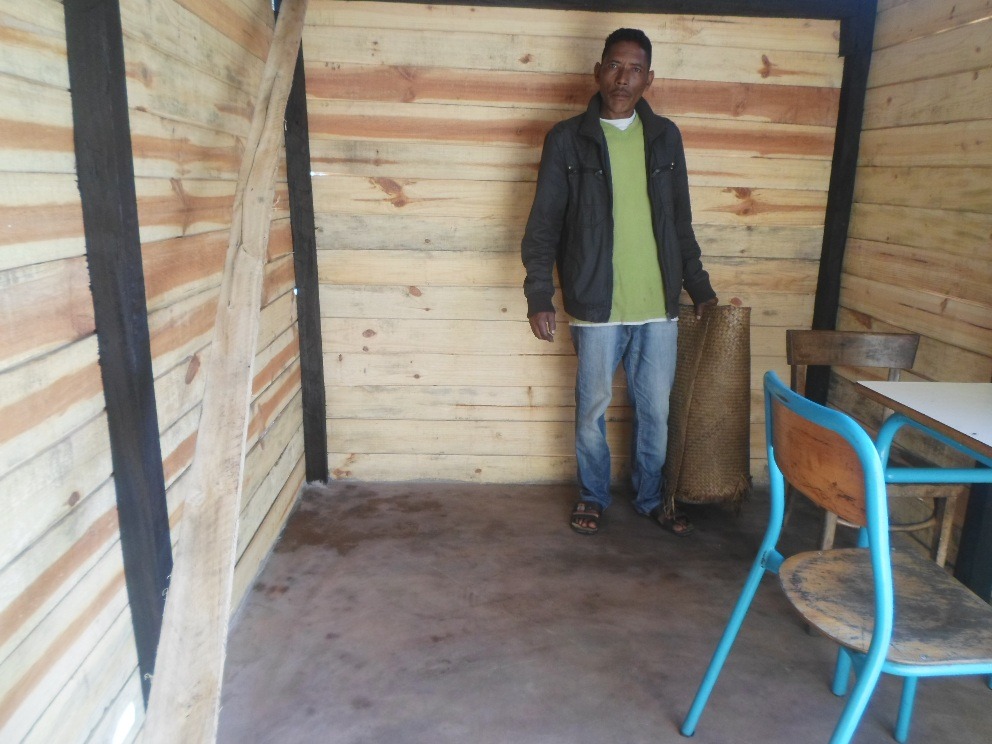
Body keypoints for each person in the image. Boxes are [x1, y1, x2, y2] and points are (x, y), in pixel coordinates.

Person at [520, 28, 718, 537]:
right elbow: (544, 225)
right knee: (592, 409)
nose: (622, 77)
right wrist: (539, 294)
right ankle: (593, 494)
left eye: (634, 69)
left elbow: (679, 221)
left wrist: (700, 288)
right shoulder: (567, 139)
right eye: (614, 65)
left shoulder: (665, 137)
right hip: (595, 304)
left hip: (658, 304)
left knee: (656, 411)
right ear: (598, 71)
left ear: (649, 78)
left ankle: (652, 498)